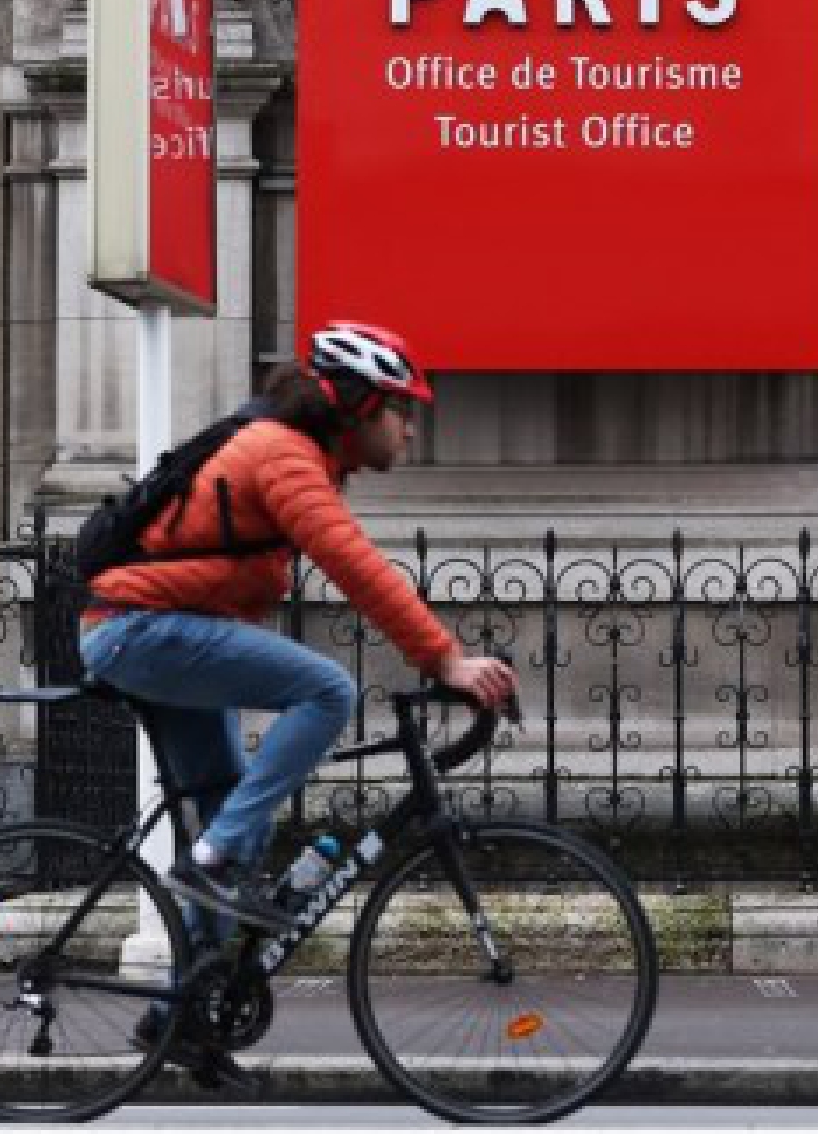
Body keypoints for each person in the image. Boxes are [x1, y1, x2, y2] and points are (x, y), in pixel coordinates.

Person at [78, 321, 517, 1079]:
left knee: (227, 816)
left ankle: (183, 1018)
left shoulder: (296, 455)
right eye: (400, 411)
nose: (410, 429)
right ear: (357, 406)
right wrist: (443, 659)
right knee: (326, 689)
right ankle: (215, 859)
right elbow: (355, 565)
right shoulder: (283, 456)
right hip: (140, 630)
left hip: (164, 630)